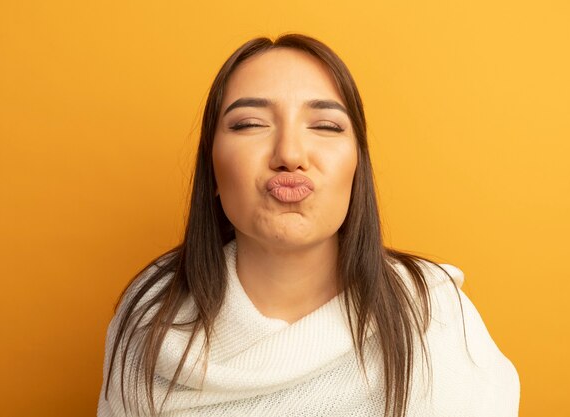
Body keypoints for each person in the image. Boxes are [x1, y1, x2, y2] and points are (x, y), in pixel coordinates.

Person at [97, 34, 520, 417]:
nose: (290, 152)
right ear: (212, 166)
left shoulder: (434, 314)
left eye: (325, 126)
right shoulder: (151, 319)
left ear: (358, 166)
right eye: (250, 124)